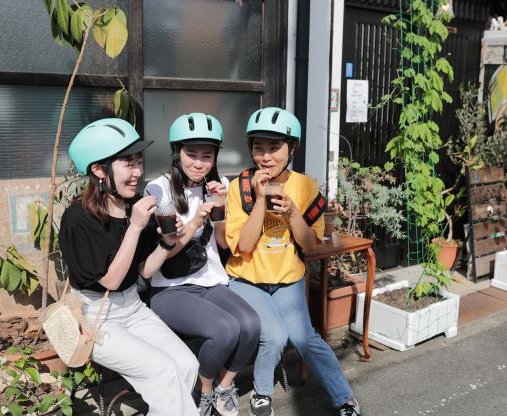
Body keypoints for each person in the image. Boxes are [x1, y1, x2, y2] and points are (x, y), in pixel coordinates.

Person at [225, 108, 362, 416]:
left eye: (274, 147)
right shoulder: (240, 187)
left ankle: (345, 399)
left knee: (305, 337)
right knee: (274, 336)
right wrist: (260, 201)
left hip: (288, 279)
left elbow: (310, 244)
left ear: (292, 148)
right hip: (247, 280)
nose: (266, 156)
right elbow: (244, 246)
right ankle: (262, 393)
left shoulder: (305, 187)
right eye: (258, 147)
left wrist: (292, 212)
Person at [59, 118, 199, 416]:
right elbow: (110, 281)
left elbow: (144, 272)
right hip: (95, 317)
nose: (137, 172)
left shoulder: (136, 204)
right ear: (99, 170)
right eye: (127, 163)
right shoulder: (77, 219)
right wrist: (134, 226)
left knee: (188, 365)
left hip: (133, 308)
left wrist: (166, 243)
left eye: (138, 162)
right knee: (162, 371)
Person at [143, 113, 260, 416]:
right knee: (225, 330)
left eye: (206, 156)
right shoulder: (159, 190)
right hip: (171, 289)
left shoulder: (221, 184)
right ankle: (202, 390)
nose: (198, 163)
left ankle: (224, 387)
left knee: (250, 325)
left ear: (215, 157)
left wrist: (220, 209)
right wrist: (195, 220)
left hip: (211, 279)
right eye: (191, 154)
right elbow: (161, 256)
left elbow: (221, 244)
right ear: (177, 153)